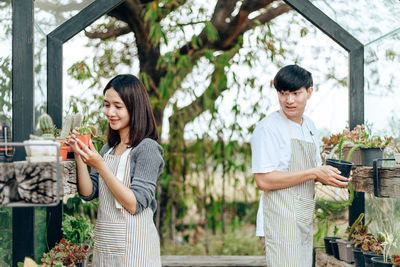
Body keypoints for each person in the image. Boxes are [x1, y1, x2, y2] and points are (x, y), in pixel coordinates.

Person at [251, 65, 350, 267]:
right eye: (283, 93)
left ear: (309, 92)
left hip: (303, 220)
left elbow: (313, 170)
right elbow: (263, 180)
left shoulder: (310, 127)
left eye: (296, 93)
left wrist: (332, 176)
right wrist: (314, 172)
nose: (289, 100)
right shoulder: (268, 128)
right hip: (279, 222)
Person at [67, 74, 164, 267]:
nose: (110, 112)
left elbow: (135, 204)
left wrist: (100, 166)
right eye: (106, 105)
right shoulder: (108, 149)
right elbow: (87, 193)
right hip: (106, 248)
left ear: (134, 108)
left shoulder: (147, 149)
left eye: (118, 107)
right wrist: (79, 154)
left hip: (137, 252)